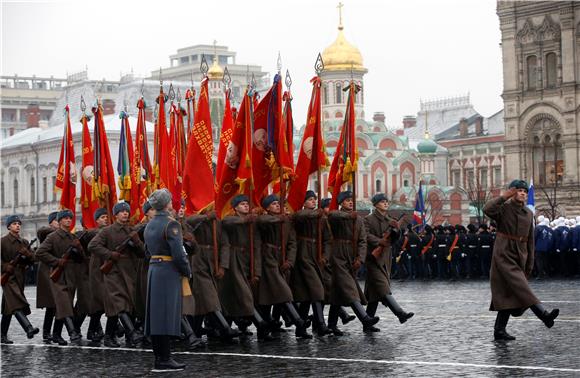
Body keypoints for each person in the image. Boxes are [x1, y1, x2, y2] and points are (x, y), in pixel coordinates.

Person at [483, 180, 559, 341]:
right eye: (519, 191)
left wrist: (530, 263)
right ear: (512, 192)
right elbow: (487, 209)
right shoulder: (504, 208)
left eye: (525, 191)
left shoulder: (528, 213)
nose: (523, 193)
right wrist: (504, 197)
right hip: (504, 254)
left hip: (520, 255)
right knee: (521, 287)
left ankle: (499, 330)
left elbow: (530, 240)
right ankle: (544, 315)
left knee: (508, 293)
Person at [144, 189, 191, 371]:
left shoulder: (149, 225)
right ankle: (164, 359)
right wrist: (187, 270)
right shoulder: (171, 225)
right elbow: (178, 254)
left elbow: (147, 251)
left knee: (156, 316)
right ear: (167, 204)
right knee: (165, 315)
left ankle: (160, 358)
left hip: (154, 270)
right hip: (168, 270)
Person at [88, 202, 145, 348]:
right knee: (120, 304)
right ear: (116, 215)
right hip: (114, 271)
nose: (125, 213)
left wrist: (137, 242)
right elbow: (93, 246)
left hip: (129, 271)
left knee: (126, 304)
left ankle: (109, 337)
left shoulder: (132, 230)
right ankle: (132, 333)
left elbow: (142, 253)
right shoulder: (107, 231)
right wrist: (109, 254)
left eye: (127, 211)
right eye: (121, 211)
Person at [256, 194, 311, 339]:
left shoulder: (286, 221)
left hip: (281, 259)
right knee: (283, 292)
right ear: (267, 207)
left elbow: (292, 243)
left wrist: (290, 261)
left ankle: (264, 329)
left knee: (268, 298)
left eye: (278, 204)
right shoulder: (264, 219)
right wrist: (278, 219)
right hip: (267, 258)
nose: (278, 206)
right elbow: (262, 220)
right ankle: (298, 321)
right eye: (274, 204)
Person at [326, 191, 379, 335]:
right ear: (341, 203)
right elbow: (331, 215)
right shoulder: (337, 216)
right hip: (337, 255)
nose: (350, 202)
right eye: (347, 200)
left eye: (351, 200)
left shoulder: (359, 220)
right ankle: (365, 318)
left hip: (351, 257)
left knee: (338, 292)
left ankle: (331, 325)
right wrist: (349, 216)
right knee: (350, 289)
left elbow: (363, 241)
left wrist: (360, 259)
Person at [219, 195, 270, 340]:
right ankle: (261, 324)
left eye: (247, 204)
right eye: (242, 204)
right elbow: (227, 222)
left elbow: (257, 246)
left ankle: (227, 327)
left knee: (236, 296)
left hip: (248, 260)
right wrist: (244, 220)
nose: (246, 206)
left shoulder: (252, 222)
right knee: (244, 294)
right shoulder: (231, 219)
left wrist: (257, 272)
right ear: (235, 207)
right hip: (234, 261)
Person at [363, 194, 414, 333]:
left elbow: (395, 240)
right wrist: (379, 241)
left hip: (385, 259)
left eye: (386, 201)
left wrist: (397, 230)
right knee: (383, 287)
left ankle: (367, 324)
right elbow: (365, 235)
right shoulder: (368, 219)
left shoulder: (390, 220)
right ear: (375, 204)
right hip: (372, 258)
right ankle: (400, 313)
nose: (385, 203)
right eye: (382, 202)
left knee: (374, 293)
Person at [35, 209, 83, 345]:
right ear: (60, 220)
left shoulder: (73, 238)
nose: (69, 220)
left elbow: (81, 259)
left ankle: (56, 334)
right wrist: (56, 261)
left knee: (63, 305)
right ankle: (72, 332)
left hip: (71, 275)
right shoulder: (52, 237)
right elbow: (40, 252)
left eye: (70, 218)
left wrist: (78, 249)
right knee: (64, 303)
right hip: (58, 276)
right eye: (66, 218)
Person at [291, 190, 332, 336]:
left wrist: (325, 257)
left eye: (315, 199)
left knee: (306, 295)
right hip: (303, 254)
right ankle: (321, 324)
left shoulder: (321, 218)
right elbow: (299, 216)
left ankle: (300, 328)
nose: (314, 201)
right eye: (310, 200)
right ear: (303, 202)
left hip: (317, 256)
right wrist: (317, 213)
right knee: (317, 289)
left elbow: (327, 240)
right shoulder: (300, 215)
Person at [1, 215, 39, 343]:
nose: (17, 225)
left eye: (19, 223)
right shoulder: (2, 242)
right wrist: (6, 266)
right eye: (14, 223)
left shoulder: (24, 242)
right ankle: (28, 328)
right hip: (7, 278)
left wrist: (28, 254)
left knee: (9, 307)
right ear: (8, 227)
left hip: (20, 277)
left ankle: (2, 335)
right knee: (16, 304)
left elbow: (33, 259)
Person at [35, 211, 58, 343]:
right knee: (51, 305)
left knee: (58, 305)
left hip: (56, 270)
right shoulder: (47, 233)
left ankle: (54, 332)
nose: (58, 222)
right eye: (56, 220)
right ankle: (46, 332)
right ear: (50, 223)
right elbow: (41, 231)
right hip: (46, 270)